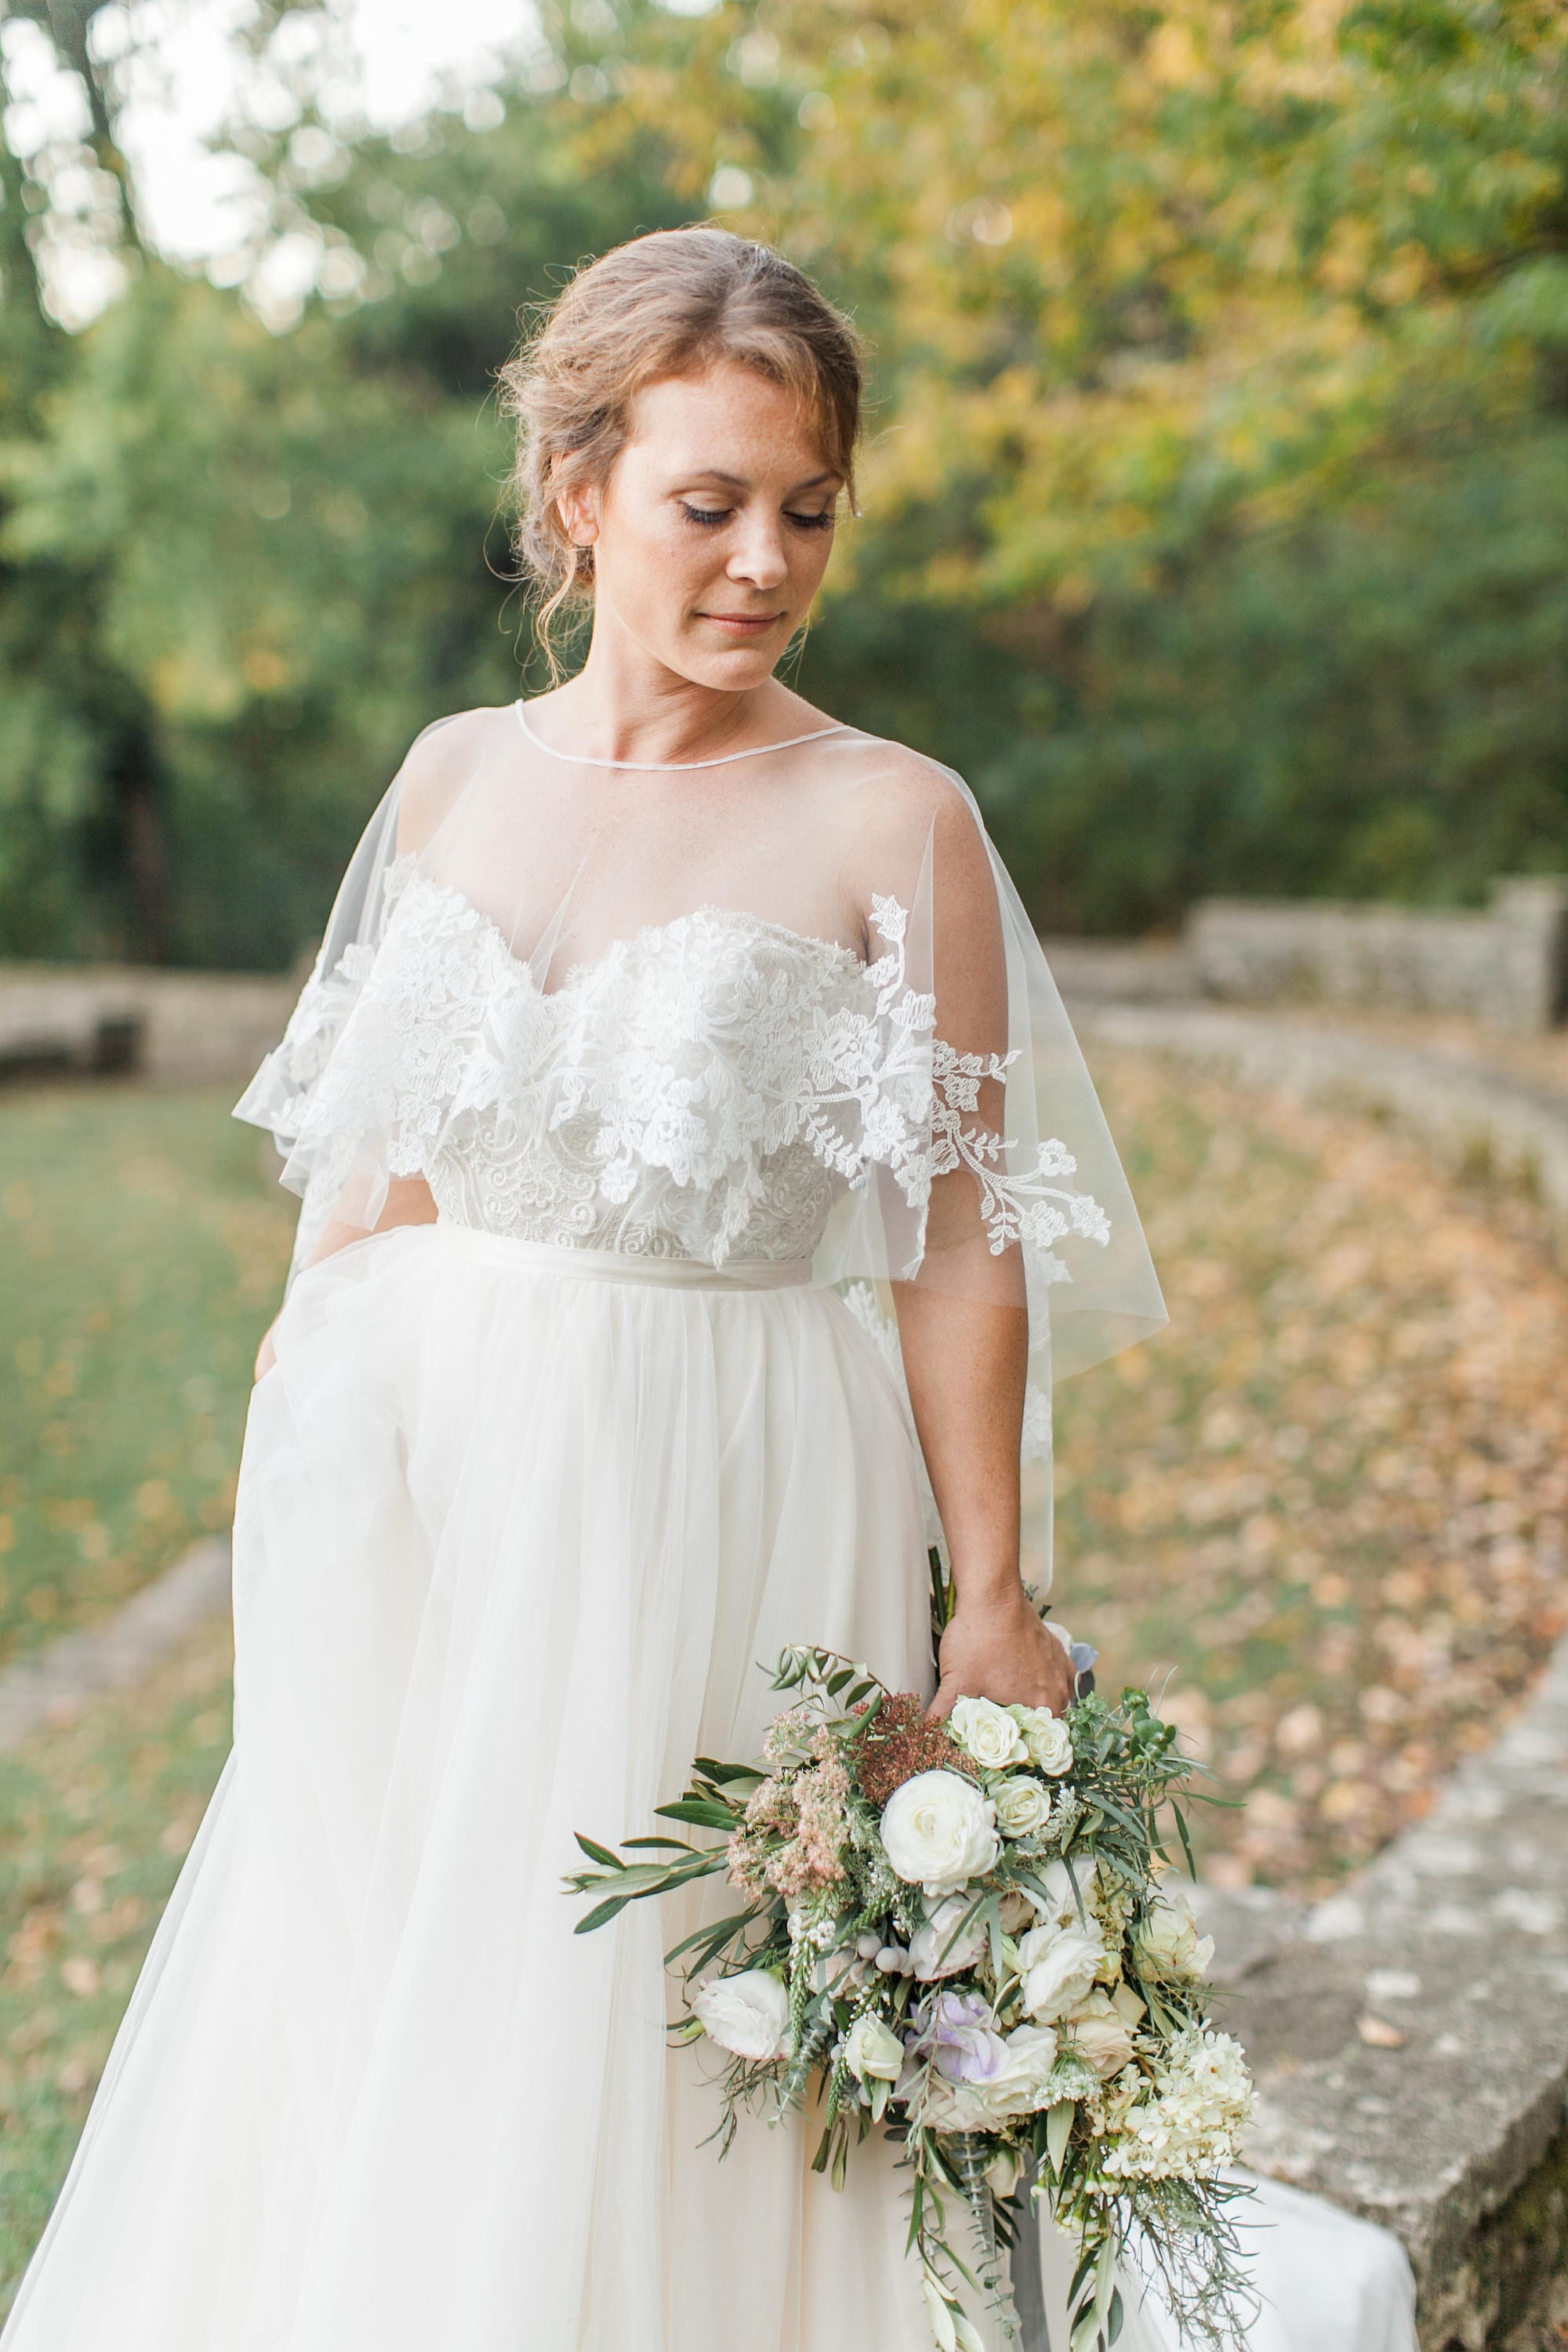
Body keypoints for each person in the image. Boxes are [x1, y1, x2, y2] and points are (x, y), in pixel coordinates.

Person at [0, 227, 1415, 2351]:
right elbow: (366, 1185)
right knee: (424, 1975)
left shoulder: (887, 816)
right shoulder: (451, 778)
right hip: (428, 1489)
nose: (764, 559)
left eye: (807, 509)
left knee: (673, 2020)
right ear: (579, 495)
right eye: (710, 503)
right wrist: (305, 1482)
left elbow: (954, 1237)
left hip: (729, 1483)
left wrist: (996, 1596)